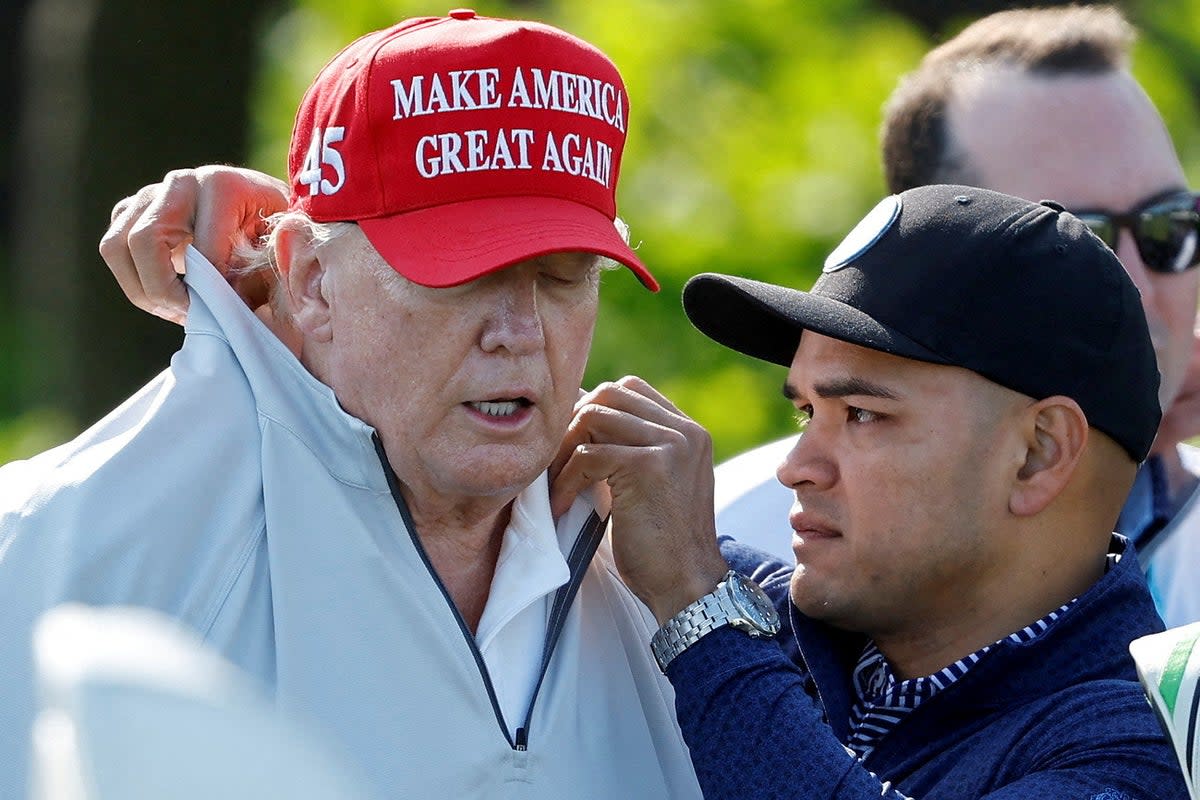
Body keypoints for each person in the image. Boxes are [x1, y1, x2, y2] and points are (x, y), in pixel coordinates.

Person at [0, 11, 704, 800]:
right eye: (460, 273)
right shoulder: (64, 546)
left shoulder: (675, 567)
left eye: (564, 275)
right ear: (308, 280)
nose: (519, 333)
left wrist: (709, 610)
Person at [559, 184, 1186, 798]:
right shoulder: (784, 617)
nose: (797, 466)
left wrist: (697, 609)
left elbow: (699, 590)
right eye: (808, 412)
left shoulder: (1142, 754)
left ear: (1037, 453)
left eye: (861, 413)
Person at [714, 3, 1200, 630]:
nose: (1136, 286)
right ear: (920, 246)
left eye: (1171, 226)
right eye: (1077, 239)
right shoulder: (735, 537)